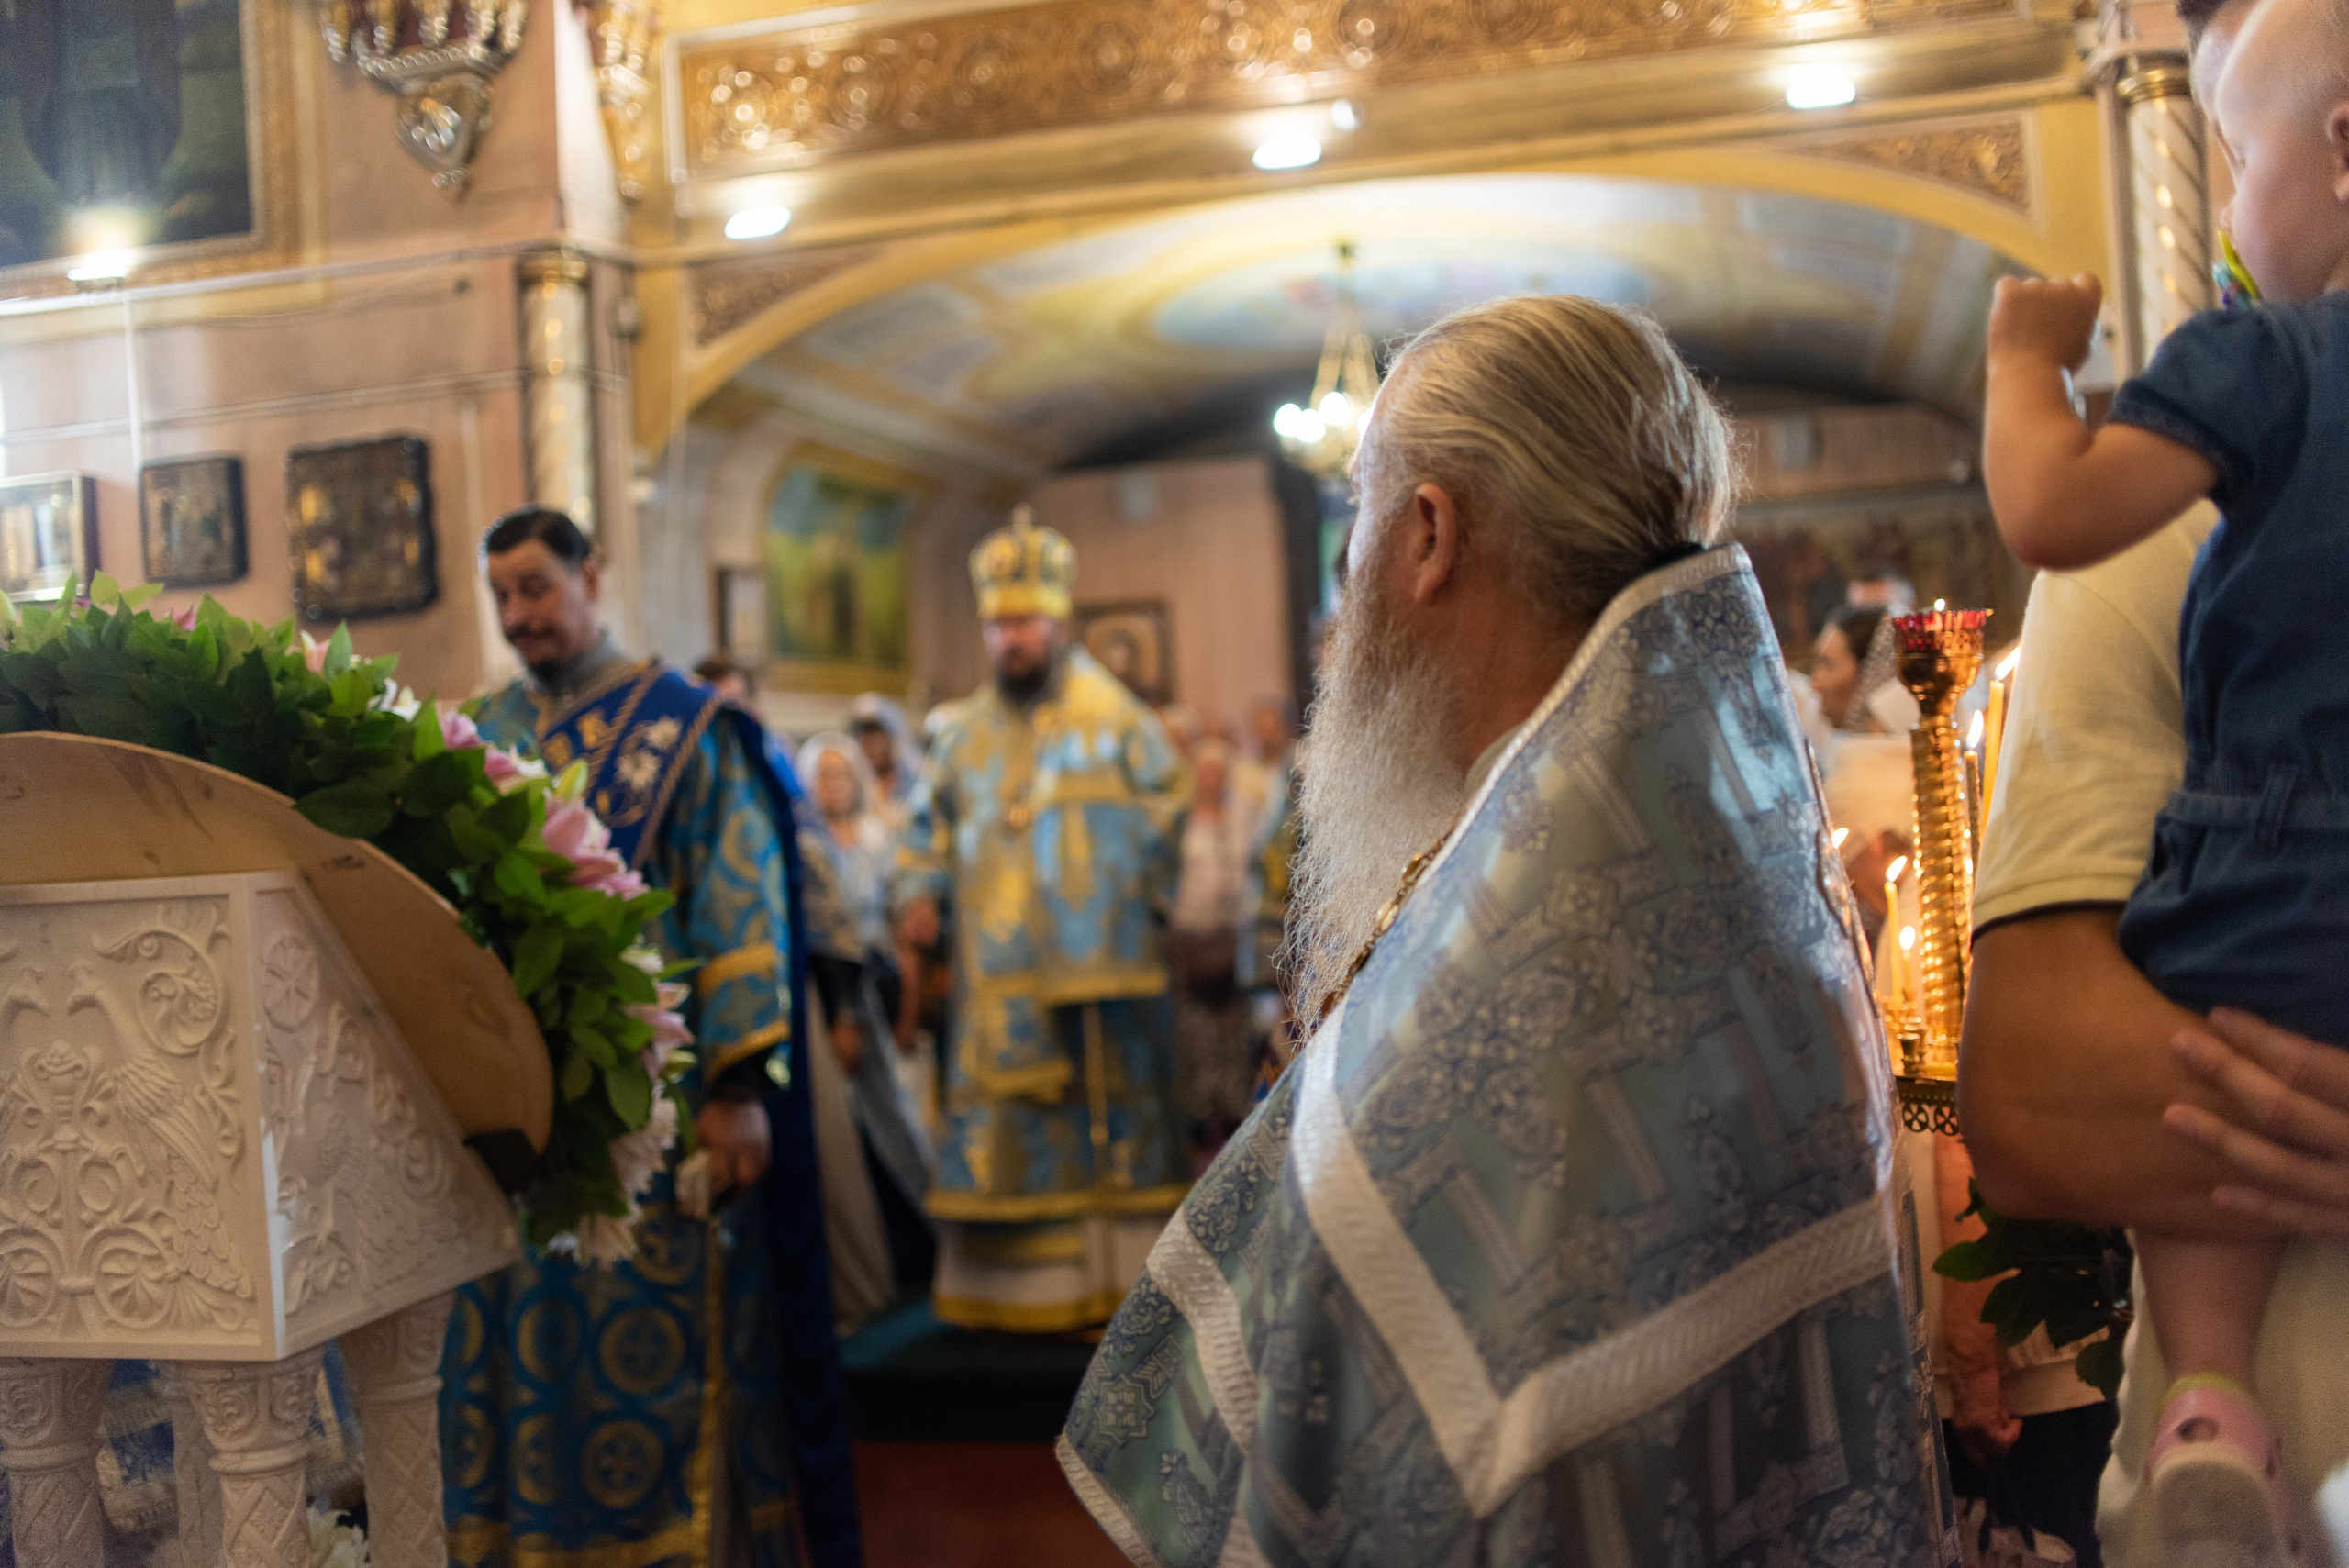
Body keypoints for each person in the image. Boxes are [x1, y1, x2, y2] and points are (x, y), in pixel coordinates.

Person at [1060, 295, 1953, 1565]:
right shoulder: (1690, 840)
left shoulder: (1533, 973)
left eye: (1359, 518)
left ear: (1429, 533)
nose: (1345, 581)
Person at [1980, 0, 2349, 1549]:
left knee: (2234, 966)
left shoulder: (2260, 368)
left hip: (2277, 860)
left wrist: (2020, 363)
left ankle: (2215, 1391)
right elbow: (2040, 1094)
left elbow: (2044, 501)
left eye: (2236, 155)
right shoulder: (2163, 552)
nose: (2231, 205)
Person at [446, 508, 860, 1568]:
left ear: (593, 572)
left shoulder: (686, 727)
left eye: (536, 586)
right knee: (523, 1358)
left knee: (672, 1361)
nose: (519, 615)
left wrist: (737, 1088)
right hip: (512, 1117)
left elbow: (740, 905)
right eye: (501, 595)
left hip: (662, 1112)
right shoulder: (475, 730)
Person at [895, 507, 1191, 1332]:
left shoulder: (1115, 714)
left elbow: (1168, 805)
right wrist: (917, 893)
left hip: (1096, 975)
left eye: (1022, 622)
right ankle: (1006, 1295)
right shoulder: (960, 735)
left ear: (1058, 622)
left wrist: (1123, 905)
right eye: (996, 625)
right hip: (996, 977)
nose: (1008, 639)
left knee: (1101, 1115)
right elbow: (926, 827)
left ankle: (1110, 1283)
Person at [1166, 737, 1254, 1159]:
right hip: (1188, 936)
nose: (1211, 779)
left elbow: (1245, 873)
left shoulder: (1236, 819)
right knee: (1194, 1031)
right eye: (1205, 771)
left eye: (1219, 772)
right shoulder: (1180, 821)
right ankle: (1200, 1115)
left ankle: (1234, 1110)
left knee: (1230, 1030)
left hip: (1228, 934)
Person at [847, 692, 919, 834]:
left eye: (878, 739)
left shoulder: (916, 780)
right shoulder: (850, 784)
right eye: (864, 739)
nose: (870, 747)